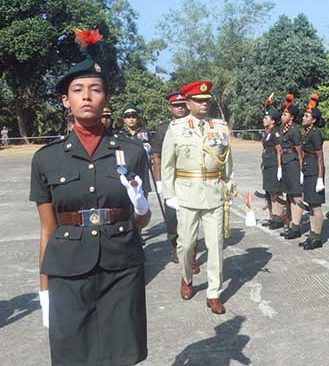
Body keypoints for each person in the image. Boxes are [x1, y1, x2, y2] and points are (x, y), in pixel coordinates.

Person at [30, 28, 151, 366]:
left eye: (95, 90)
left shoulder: (130, 152)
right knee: (74, 357)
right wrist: (43, 290)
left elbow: (143, 219)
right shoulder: (46, 158)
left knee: (122, 355)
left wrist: (140, 205)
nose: (87, 96)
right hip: (67, 269)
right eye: (78, 90)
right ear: (65, 100)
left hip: (121, 266)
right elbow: (46, 230)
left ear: (105, 99)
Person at [161, 80, 235, 315]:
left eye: (206, 101)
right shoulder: (176, 128)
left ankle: (213, 292)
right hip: (186, 194)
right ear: (188, 102)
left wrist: (229, 188)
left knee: (215, 246)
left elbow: (227, 164)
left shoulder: (220, 127)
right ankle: (187, 278)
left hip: (214, 193)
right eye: (199, 101)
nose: (204, 104)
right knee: (185, 245)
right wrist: (169, 195)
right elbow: (167, 165)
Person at [150, 91, 196, 267]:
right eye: (176, 105)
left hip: (192, 178)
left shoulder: (194, 124)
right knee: (172, 217)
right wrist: (159, 181)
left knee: (193, 215)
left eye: (183, 105)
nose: (180, 108)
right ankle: (176, 245)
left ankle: (192, 252)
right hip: (172, 179)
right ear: (169, 108)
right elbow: (157, 156)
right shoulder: (163, 128)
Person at [299, 93, 326, 249]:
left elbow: (320, 157)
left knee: (316, 206)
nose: (303, 117)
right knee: (310, 204)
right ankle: (312, 234)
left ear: (314, 120)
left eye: (307, 115)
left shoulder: (316, 134)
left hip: (315, 169)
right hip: (308, 169)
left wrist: (320, 178)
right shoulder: (307, 133)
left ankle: (317, 237)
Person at [278, 94, 305, 239]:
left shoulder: (294, 130)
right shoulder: (283, 129)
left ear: (292, 117)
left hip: (293, 162)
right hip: (285, 162)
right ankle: (290, 224)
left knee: (296, 195)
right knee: (289, 195)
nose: (282, 116)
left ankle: (296, 226)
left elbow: (299, 151)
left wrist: (301, 169)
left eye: (285, 114)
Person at [259, 97, 285, 230]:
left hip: (274, 163)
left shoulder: (275, 133)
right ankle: (274, 216)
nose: (264, 120)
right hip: (268, 163)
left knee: (276, 192)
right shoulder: (267, 132)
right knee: (270, 191)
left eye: (267, 118)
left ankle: (278, 217)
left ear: (273, 121)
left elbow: (279, 150)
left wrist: (280, 167)